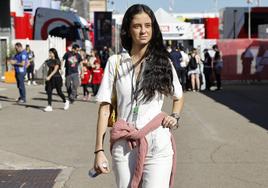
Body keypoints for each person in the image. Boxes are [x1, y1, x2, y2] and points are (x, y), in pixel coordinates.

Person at [93, 4, 184, 188]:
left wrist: (174, 116)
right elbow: (104, 109)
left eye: (148, 25)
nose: (144, 31)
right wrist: (99, 150)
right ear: (127, 30)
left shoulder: (163, 62)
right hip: (124, 143)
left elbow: (179, 96)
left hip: (157, 142)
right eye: (137, 26)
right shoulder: (115, 63)